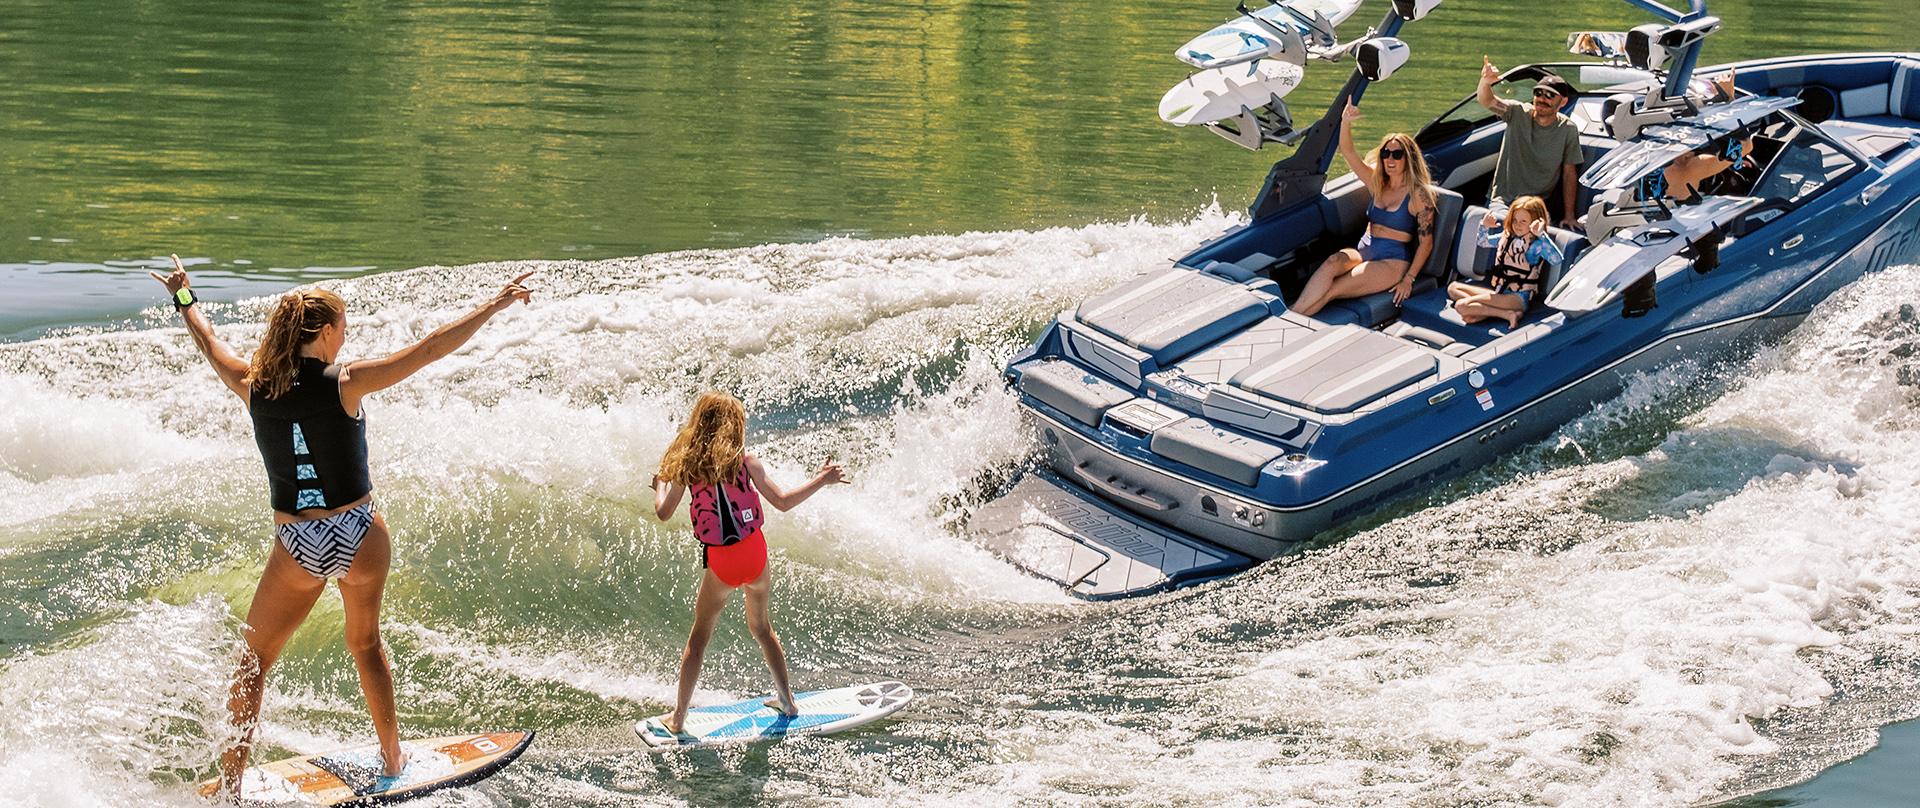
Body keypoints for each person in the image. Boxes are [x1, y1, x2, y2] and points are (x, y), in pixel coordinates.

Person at [149, 255, 535, 799]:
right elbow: (429, 349)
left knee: (254, 661)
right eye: (343, 327)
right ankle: (393, 758)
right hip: (357, 531)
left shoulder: (252, 385)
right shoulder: (345, 383)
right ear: (326, 332)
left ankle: (232, 787)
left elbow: (210, 342)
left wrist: (184, 296)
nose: (346, 336)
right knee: (366, 644)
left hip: (298, 541)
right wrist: (494, 304)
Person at [650, 391, 847, 733]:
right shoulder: (747, 462)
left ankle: (678, 718)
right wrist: (823, 479)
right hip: (755, 554)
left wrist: (659, 487)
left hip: (722, 562)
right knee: (762, 629)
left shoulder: (689, 469)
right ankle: (787, 701)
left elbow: (664, 512)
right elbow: (783, 502)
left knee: (699, 638)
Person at [1290, 102, 1438, 318]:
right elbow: (1348, 153)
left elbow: (1426, 243)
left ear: (1408, 159)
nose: (1390, 159)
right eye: (1386, 153)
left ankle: (1291, 318)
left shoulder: (1418, 194)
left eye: (1397, 155)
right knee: (1331, 263)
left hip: (1391, 261)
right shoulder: (1377, 183)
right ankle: (1290, 316)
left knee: (1333, 289)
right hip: (1363, 251)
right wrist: (1346, 122)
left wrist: (1409, 279)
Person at [1478, 57, 1584, 230]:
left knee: (1538, 236)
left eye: (1550, 95)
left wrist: (1570, 216)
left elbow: (1569, 174)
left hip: (1536, 206)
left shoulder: (1568, 129)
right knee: (1502, 229)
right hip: (1504, 201)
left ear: (1563, 102)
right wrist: (1485, 82)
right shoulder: (1517, 113)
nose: (1542, 99)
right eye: (1538, 93)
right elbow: (1487, 101)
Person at [1448, 195, 1564, 329]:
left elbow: (1557, 259)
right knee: (1453, 288)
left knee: (1461, 305)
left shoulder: (1536, 246)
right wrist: (1484, 226)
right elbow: (1483, 242)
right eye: (1514, 220)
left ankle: (1496, 311)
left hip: (1518, 298)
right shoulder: (1507, 238)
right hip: (1500, 292)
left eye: (1523, 221)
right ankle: (1506, 314)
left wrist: (1541, 235)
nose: (1517, 225)